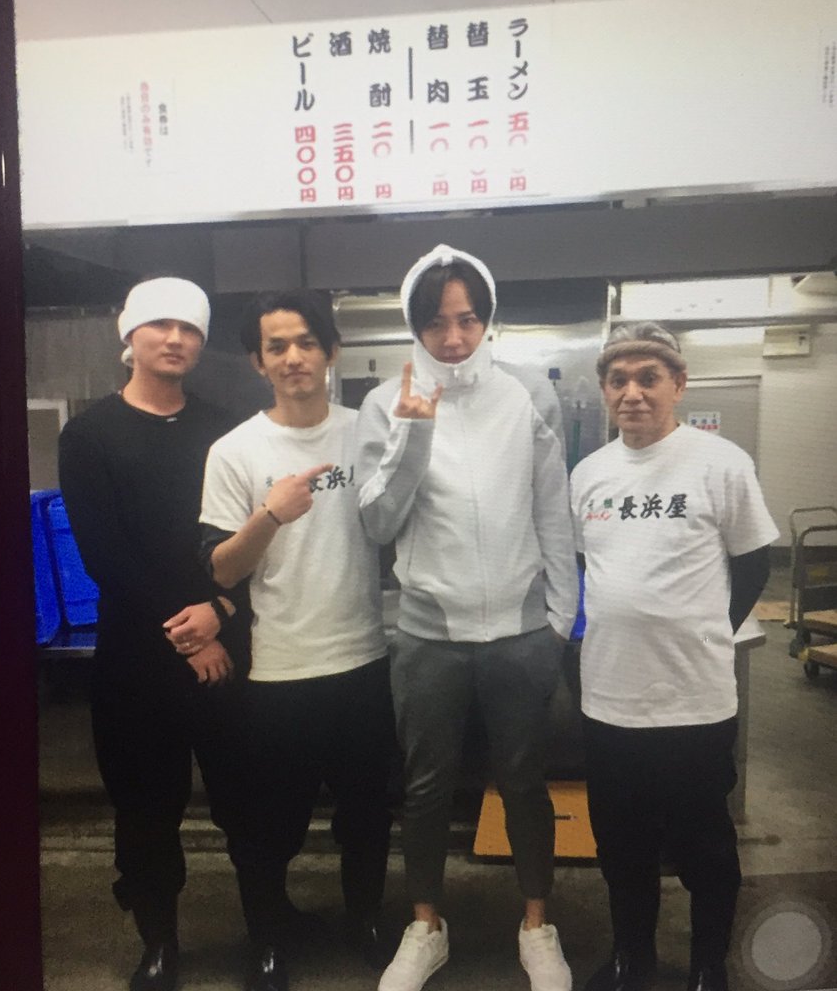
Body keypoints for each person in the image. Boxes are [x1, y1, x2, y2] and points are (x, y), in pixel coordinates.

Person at [355, 243, 579, 991]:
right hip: (429, 635)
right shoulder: (384, 404)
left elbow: (553, 510)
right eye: (436, 322)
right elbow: (378, 523)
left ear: (487, 319)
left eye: (468, 319)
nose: (453, 338)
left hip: (521, 632)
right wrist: (414, 432)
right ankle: (426, 927)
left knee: (525, 785)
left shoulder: (528, 395)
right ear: (413, 324)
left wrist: (559, 619)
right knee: (425, 789)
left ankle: (537, 926)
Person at [165, 288, 395, 991]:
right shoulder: (235, 450)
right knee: (269, 825)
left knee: (368, 814)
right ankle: (266, 941)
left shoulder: (369, 433)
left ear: (331, 351)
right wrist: (271, 514)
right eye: (277, 346)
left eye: (306, 342)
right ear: (258, 362)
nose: (293, 357)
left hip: (365, 659)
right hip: (279, 672)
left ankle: (365, 919)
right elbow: (220, 568)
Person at [570, 322, 778, 991]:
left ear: (678, 385)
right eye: (618, 380)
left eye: (648, 378)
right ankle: (631, 958)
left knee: (704, 847)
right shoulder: (589, 474)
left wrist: (707, 630)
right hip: (610, 702)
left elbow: (753, 564)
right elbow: (587, 569)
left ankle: (708, 965)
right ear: (605, 390)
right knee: (621, 845)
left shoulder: (720, 463)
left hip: (694, 702)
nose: (632, 393)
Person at [58, 277, 246, 991]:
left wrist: (220, 612)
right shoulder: (89, 435)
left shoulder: (226, 430)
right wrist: (192, 633)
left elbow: (247, 541)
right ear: (128, 334)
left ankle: (268, 923)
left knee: (247, 799)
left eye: (190, 328)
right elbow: (105, 556)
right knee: (145, 808)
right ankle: (159, 942)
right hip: (139, 656)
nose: (175, 338)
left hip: (226, 643)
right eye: (160, 324)